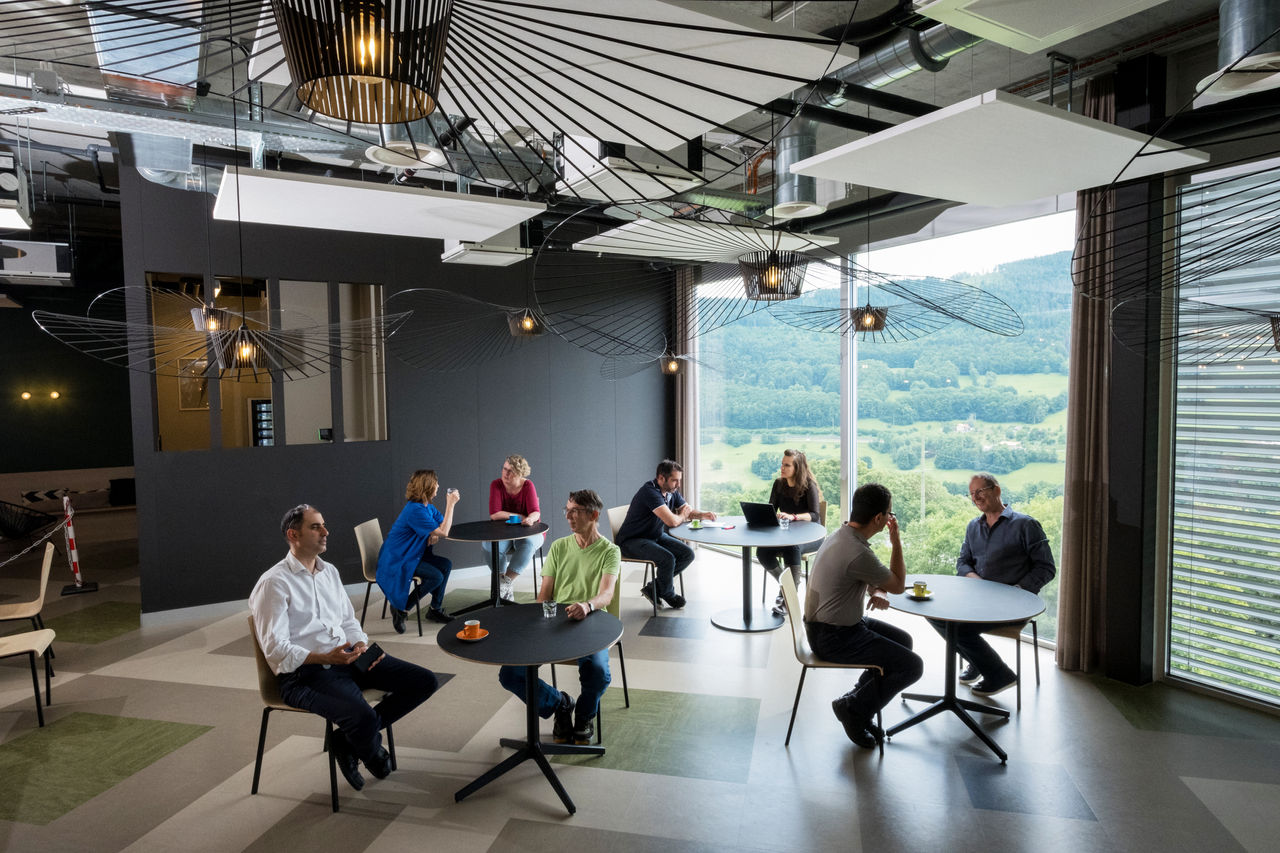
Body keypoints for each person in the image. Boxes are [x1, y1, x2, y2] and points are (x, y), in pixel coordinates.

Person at [250, 504, 438, 791]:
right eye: (316, 527)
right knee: (362, 716)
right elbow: (275, 650)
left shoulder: (329, 572)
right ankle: (368, 745)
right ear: (293, 535)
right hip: (305, 674)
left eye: (324, 525)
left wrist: (360, 643)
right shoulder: (273, 583)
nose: (326, 532)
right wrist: (324, 657)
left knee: (424, 681)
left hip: (348, 657)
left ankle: (348, 740)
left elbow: (348, 620)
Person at [804, 483, 922, 749]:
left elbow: (860, 575)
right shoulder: (857, 551)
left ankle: (855, 700)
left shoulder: (842, 536)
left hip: (831, 626)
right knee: (912, 666)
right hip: (834, 636)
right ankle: (855, 710)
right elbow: (898, 585)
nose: (890, 518)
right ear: (879, 518)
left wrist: (876, 589)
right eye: (889, 513)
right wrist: (896, 541)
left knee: (904, 641)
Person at [497, 489, 620, 744]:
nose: (568, 516)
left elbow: (606, 595)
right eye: (567, 510)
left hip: (593, 620)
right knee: (510, 674)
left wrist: (587, 605)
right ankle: (560, 704)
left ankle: (584, 716)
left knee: (598, 673)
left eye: (575, 511)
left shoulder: (610, 551)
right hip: (555, 621)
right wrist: (536, 626)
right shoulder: (559, 547)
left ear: (594, 515)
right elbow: (544, 595)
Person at [938, 472, 1057, 697]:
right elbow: (963, 563)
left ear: (997, 490)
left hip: (1012, 605)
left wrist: (1017, 591)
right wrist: (976, 581)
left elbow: (1046, 568)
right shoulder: (973, 526)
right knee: (936, 615)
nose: (975, 497)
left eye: (980, 491)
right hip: (978, 603)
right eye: (972, 494)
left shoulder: (1026, 524)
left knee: (957, 628)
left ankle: (999, 674)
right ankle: (979, 662)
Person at [615, 459, 716, 609]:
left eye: (679, 480)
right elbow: (672, 522)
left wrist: (703, 515)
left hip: (654, 536)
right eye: (675, 480)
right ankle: (668, 594)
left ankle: (654, 588)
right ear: (661, 478)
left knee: (687, 554)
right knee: (667, 559)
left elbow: (686, 511)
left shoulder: (670, 492)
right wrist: (683, 515)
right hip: (632, 541)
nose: (678, 484)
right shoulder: (650, 492)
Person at [377, 470, 459, 633]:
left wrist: (434, 534)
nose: (438, 486)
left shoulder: (427, 507)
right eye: (436, 483)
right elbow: (444, 532)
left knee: (446, 565)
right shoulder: (415, 510)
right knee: (436, 576)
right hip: (399, 559)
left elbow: (442, 525)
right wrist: (450, 504)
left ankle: (434, 609)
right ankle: (402, 609)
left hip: (413, 554)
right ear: (427, 487)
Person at [758, 448, 822, 617]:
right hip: (788, 536)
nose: (782, 468)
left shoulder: (809, 486)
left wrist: (793, 517)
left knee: (792, 548)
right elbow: (771, 509)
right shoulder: (779, 484)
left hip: (812, 536)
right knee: (762, 551)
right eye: (782, 464)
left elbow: (815, 516)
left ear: (797, 468)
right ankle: (787, 588)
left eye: (787, 465)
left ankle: (787, 601)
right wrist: (768, 516)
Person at [486, 454, 543, 602]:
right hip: (503, 532)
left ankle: (506, 582)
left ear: (519, 473)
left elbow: (535, 512)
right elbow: (495, 514)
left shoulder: (528, 486)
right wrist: (519, 515)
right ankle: (502, 584)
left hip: (528, 530)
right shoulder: (496, 484)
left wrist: (529, 518)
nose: (505, 473)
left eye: (510, 471)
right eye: (504, 469)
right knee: (488, 544)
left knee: (528, 544)